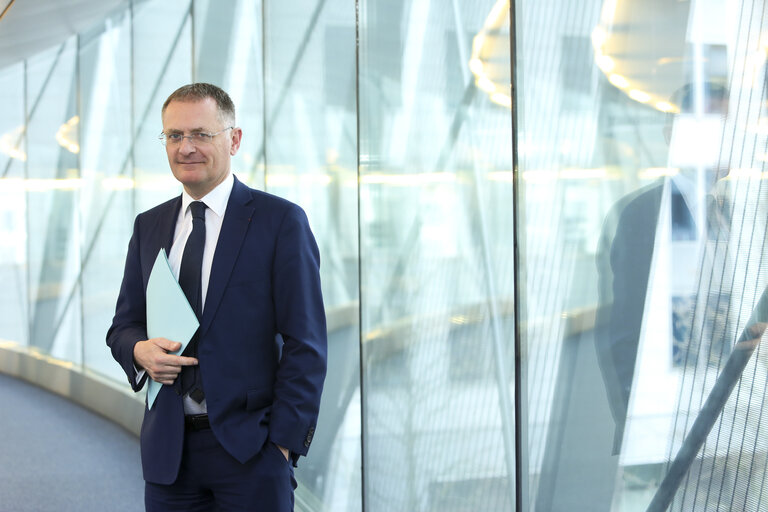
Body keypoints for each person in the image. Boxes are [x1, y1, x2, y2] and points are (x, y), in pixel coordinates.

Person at [106, 82, 327, 511]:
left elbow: (307, 345)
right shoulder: (148, 227)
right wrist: (138, 350)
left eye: (200, 134)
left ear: (234, 139)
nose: (186, 147)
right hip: (169, 454)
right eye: (174, 136)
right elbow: (123, 325)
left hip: (253, 452)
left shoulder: (279, 222)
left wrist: (281, 447)